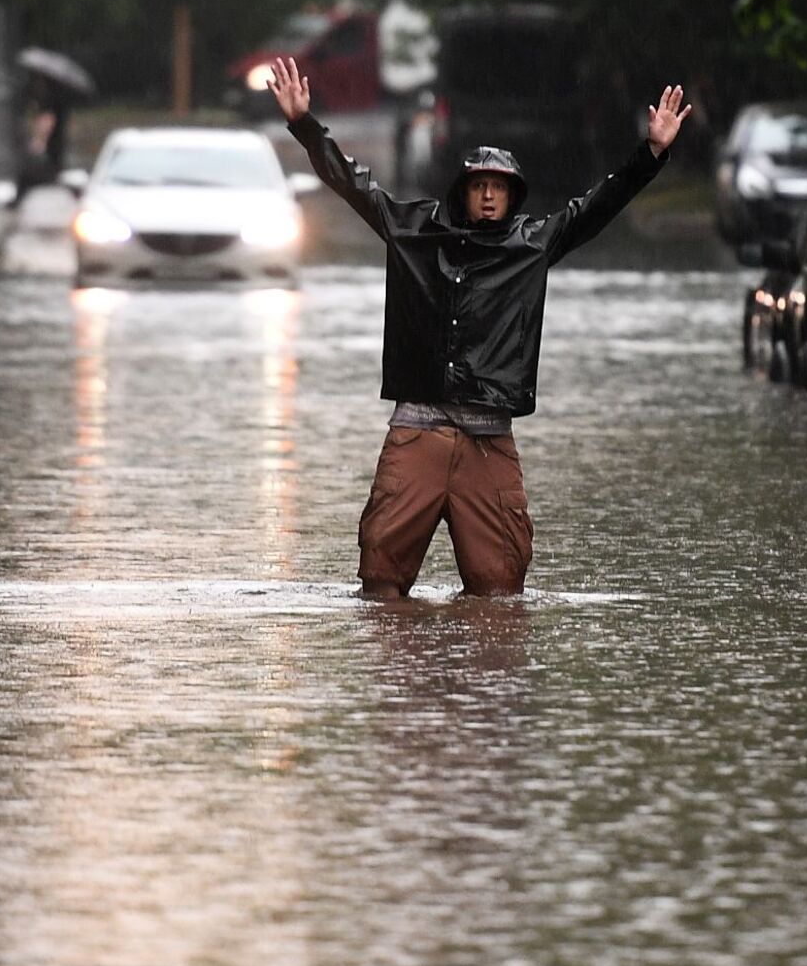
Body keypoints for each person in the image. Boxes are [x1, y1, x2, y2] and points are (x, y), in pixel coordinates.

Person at [268, 54, 691, 597]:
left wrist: (652, 152)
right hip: (417, 430)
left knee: (500, 593)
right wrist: (305, 125)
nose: (489, 195)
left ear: (513, 194)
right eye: (479, 185)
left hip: (489, 440)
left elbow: (597, 208)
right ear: (463, 190)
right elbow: (354, 185)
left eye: (500, 186)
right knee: (381, 585)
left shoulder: (532, 243)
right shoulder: (414, 230)